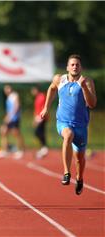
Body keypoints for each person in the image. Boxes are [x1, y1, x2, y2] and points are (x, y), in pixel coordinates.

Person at [40, 54, 97, 195]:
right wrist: (46, 107)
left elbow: (92, 104)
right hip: (63, 122)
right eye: (72, 64)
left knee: (80, 159)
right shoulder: (59, 79)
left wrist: (83, 87)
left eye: (77, 64)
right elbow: (52, 89)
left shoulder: (87, 81)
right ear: (67, 67)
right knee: (68, 135)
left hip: (81, 125)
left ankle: (79, 178)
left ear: (81, 67)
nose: (75, 67)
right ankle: (66, 172)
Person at [0, 85, 25, 159]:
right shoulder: (8, 98)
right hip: (9, 118)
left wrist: (11, 116)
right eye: (5, 89)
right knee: (3, 132)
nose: (7, 90)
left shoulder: (15, 95)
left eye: (8, 89)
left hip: (14, 119)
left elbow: (16, 106)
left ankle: (20, 150)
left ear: (11, 89)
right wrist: (7, 117)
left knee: (16, 134)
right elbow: (9, 109)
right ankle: (5, 150)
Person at [31, 86, 48, 159]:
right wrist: (35, 119)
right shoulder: (37, 97)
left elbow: (43, 107)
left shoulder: (42, 96)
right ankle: (43, 147)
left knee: (38, 132)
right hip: (38, 117)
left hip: (42, 117)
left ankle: (44, 147)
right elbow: (36, 109)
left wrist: (40, 118)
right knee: (39, 132)